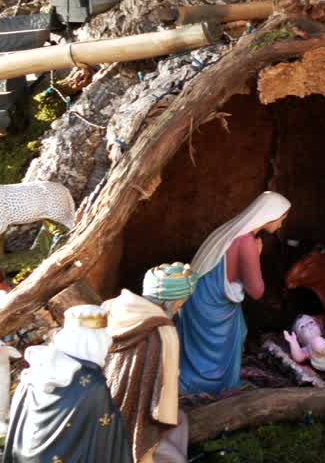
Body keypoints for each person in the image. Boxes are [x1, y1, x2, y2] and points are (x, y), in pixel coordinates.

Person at [176, 192, 290, 395]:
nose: (281, 225)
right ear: (270, 215)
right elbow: (256, 291)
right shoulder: (246, 242)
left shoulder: (230, 231)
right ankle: (207, 386)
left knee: (239, 330)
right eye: (282, 219)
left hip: (201, 298)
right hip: (211, 307)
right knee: (215, 354)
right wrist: (257, 255)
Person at [3, 305, 133, 463]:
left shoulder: (37, 367)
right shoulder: (92, 384)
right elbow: (105, 435)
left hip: (24, 455)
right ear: (96, 338)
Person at [103, 263, 195, 463]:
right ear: (170, 301)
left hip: (101, 402)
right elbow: (166, 392)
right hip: (139, 413)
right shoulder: (165, 330)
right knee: (175, 429)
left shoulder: (112, 307)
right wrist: (164, 421)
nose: (180, 307)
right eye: (180, 302)